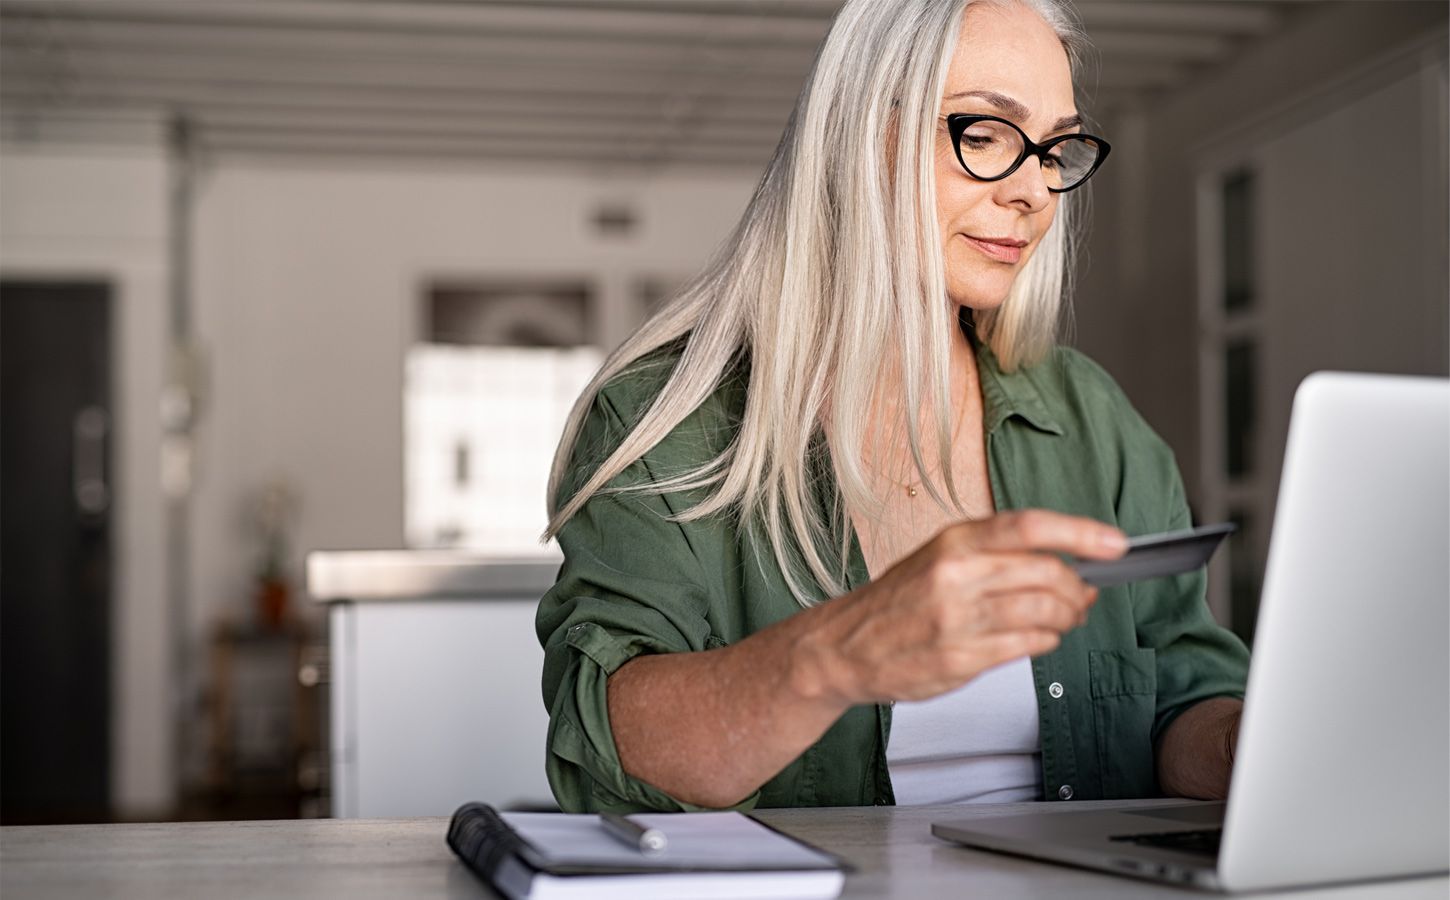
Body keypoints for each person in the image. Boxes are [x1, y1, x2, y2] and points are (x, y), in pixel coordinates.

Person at [536, 0, 1250, 813]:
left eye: (1055, 148)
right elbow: (609, 758)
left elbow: (1182, 697)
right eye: (983, 134)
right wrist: (842, 653)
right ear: (855, 137)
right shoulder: (662, 421)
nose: (1035, 193)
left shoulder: (1090, 416)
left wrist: (1255, 747)